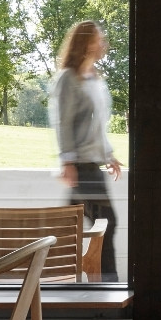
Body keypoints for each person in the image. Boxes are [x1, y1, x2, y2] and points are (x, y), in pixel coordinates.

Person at [49, 20, 122, 282]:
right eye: (98, 39)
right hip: (81, 168)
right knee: (102, 225)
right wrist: (67, 161)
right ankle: (108, 286)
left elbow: (97, 126)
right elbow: (63, 122)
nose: (103, 43)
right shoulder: (68, 79)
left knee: (75, 228)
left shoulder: (95, 79)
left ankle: (69, 280)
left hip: (93, 166)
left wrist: (108, 155)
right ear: (84, 43)